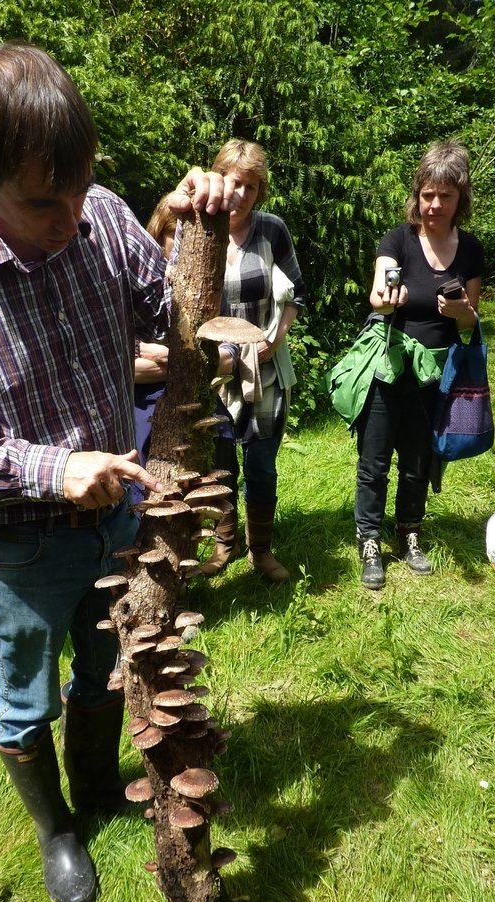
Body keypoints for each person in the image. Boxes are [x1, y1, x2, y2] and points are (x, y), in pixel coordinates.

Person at [0, 43, 234, 902]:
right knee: (23, 696)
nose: (71, 217)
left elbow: (173, 316)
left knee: (107, 667)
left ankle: (98, 780)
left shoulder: (104, 216)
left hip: (119, 524)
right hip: (21, 545)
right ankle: (57, 831)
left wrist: (205, 227)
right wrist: (52, 466)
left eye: (80, 189)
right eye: (45, 201)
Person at [356, 140, 484, 589]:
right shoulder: (398, 239)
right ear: (418, 194)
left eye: (444, 196)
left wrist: (463, 313)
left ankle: (410, 531)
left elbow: (471, 323)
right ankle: (368, 539)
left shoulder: (469, 250)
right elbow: (377, 292)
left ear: (459, 198)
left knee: (417, 461)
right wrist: (388, 301)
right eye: (427, 194)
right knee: (374, 462)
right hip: (389, 367)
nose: (434, 205)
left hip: (436, 375)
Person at [211, 139, 306, 583]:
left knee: (262, 464)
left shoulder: (271, 230)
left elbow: (295, 295)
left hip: (265, 370)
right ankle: (223, 545)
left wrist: (275, 339)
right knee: (220, 464)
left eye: (251, 186)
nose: (242, 194)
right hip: (214, 376)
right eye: (235, 183)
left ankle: (260, 551)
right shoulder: (199, 229)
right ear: (220, 179)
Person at [132, 195, 239, 576]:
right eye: (170, 234)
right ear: (155, 235)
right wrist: (185, 362)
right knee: (157, 489)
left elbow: (229, 356)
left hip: (200, 401)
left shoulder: (206, 290)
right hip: (146, 409)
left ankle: (220, 549)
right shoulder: (133, 290)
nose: (177, 243)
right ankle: (162, 566)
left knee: (221, 457)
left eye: (186, 234)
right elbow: (126, 369)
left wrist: (162, 357)